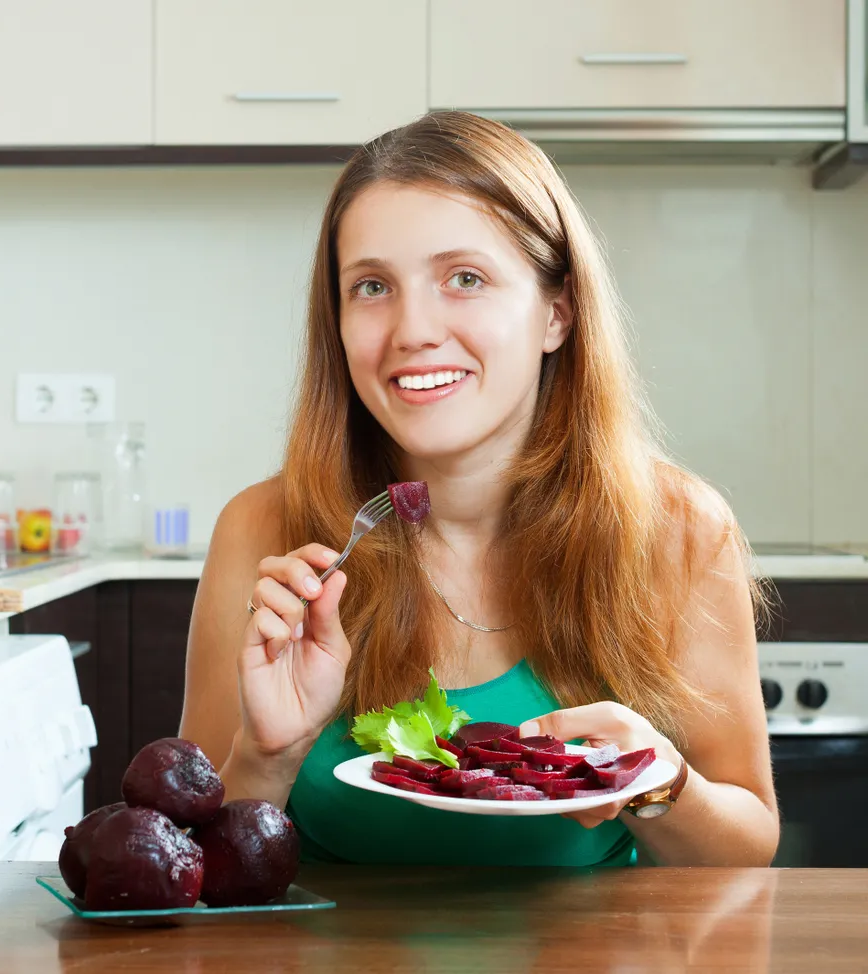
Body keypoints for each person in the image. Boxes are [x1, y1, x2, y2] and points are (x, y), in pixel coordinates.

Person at [180, 111, 779, 867]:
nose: (413, 330)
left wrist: (657, 783)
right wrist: (266, 755)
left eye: (465, 278)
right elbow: (188, 861)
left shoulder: (681, 530)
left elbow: (746, 851)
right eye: (372, 286)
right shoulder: (263, 530)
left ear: (557, 313)